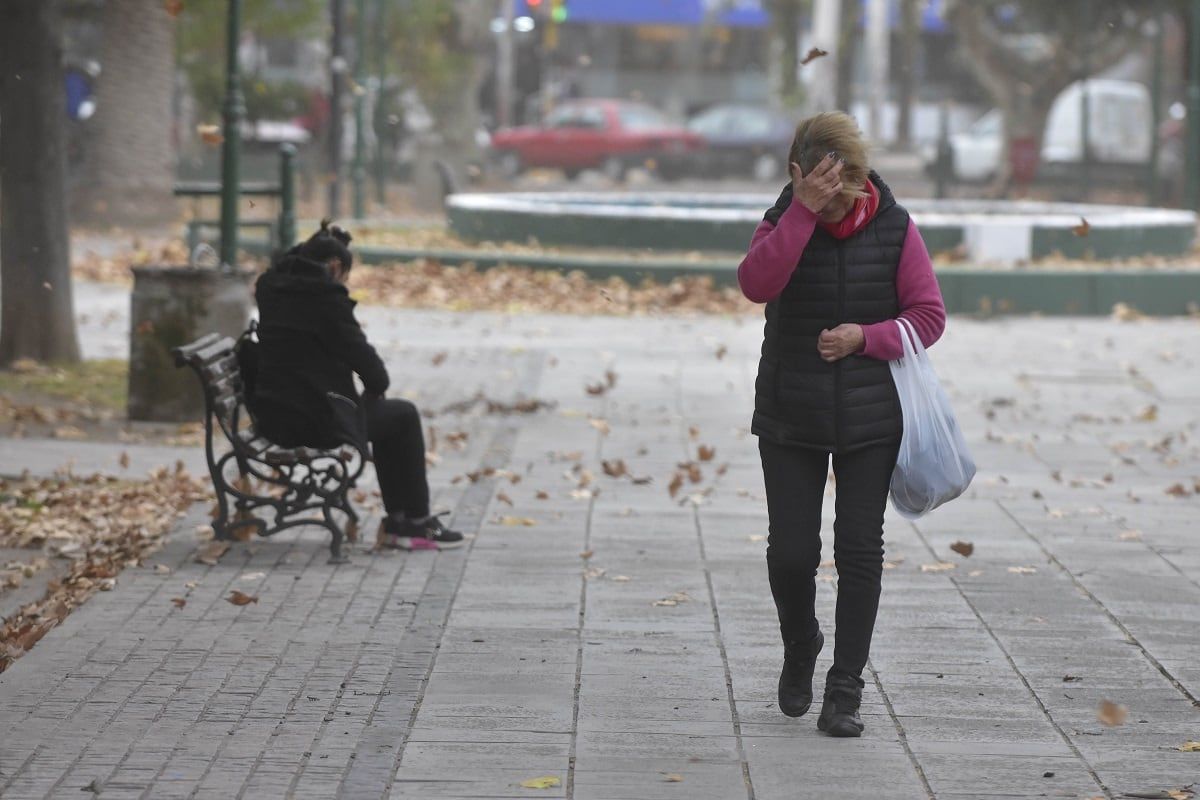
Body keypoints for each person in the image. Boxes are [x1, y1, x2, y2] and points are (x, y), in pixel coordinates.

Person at [737, 112, 947, 737]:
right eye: (817, 187)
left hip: (870, 415)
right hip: (790, 411)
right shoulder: (782, 220)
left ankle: (846, 687)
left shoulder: (894, 226)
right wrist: (801, 214)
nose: (833, 201)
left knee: (860, 551)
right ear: (798, 174)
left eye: (841, 189)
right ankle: (801, 644)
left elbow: (928, 317)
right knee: (791, 556)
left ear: (856, 178)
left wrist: (867, 337)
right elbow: (755, 284)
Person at [251, 222, 464, 551]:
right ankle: (412, 523)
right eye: (344, 276)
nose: (344, 284)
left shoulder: (271, 287)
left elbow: (293, 262)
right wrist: (375, 387)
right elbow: (369, 366)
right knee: (403, 416)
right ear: (335, 268)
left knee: (388, 419)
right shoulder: (324, 300)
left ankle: (405, 521)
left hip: (275, 412)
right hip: (313, 418)